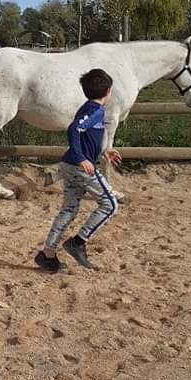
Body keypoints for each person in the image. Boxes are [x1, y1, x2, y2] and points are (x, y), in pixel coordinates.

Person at [34, 68, 122, 272]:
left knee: (68, 210)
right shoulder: (96, 111)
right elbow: (74, 129)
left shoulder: (88, 107)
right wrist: (82, 158)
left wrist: (104, 152)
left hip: (69, 165)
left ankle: (48, 254)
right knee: (110, 204)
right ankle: (78, 242)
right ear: (108, 91)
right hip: (79, 167)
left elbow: (85, 136)